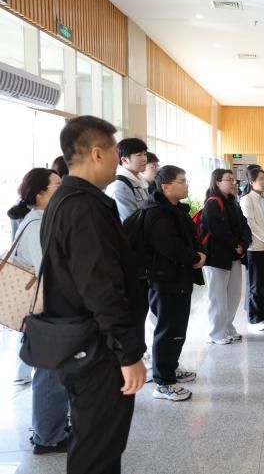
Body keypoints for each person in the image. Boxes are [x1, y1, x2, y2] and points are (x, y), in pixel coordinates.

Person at [40, 115, 147, 474]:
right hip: (98, 352)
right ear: (97, 153)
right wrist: (128, 354)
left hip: (82, 346)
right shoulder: (85, 207)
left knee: (96, 441)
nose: (119, 159)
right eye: (116, 151)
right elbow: (102, 288)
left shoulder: (65, 199)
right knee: (98, 449)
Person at [8, 168, 70, 454]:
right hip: (46, 309)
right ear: (40, 193)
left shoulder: (44, 219)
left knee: (55, 371)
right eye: (57, 185)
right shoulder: (36, 225)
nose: (63, 188)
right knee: (49, 373)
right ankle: (48, 436)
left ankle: (52, 427)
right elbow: (48, 270)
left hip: (49, 307)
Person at [141, 165, 205, 401]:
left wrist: (199, 253)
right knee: (168, 331)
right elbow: (169, 247)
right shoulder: (158, 213)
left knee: (176, 329)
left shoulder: (175, 210)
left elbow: (190, 237)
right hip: (165, 280)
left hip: (179, 277)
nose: (186, 185)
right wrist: (195, 258)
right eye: (182, 181)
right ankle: (163, 382)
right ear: (166, 187)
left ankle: (170, 368)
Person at [201, 169, 251, 345]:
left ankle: (228, 327)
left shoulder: (233, 202)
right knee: (218, 297)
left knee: (233, 295)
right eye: (228, 180)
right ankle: (216, 332)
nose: (233, 183)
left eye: (233, 180)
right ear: (217, 182)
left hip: (234, 255)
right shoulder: (212, 203)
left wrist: (244, 244)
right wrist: (236, 245)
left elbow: (244, 225)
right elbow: (217, 230)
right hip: (217, 257)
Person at [239, 168, 264, 332]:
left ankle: (263, 315)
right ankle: (254, 319)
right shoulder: (246, 199)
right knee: (256, 284)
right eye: (260, 178)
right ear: (252, 181)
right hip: (255, 247)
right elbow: (250, 223)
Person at [105, 137, 149, 221]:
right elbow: (130, 222)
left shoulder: (140, 182)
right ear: (125, 160)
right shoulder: (119, 186)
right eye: (139, 155)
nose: (144, 159)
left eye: (145, 154)